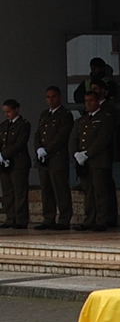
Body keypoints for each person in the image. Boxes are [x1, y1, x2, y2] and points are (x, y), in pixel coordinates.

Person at [71, 90, 116, 232]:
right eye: (86, 101)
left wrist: (87, 153)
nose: (88, 103)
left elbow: (102, 139)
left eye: (91, 100)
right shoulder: (84, 119)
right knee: (88, 191)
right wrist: (76, 153)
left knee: (100, 191)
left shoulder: (104, 117)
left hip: (98, 160)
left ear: (97, 101)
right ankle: (90, 219)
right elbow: (76, 138)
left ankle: (102, 219)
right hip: (84, 162)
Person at [34, 86, 74, 230]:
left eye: (54, 97)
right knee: (46, 190)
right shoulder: (45, 114)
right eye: (48, 97)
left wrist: (47, 150)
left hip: (57, 158)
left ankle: (64, 219)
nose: (51, 100)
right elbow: (38, 133)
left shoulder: (65, 114)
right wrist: (38, 148)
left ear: (60, 97)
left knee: (60, 189)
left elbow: (61, 137)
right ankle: (48, 218)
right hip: (44, 159)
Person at [0, 99, 31, 229]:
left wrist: (4, 154)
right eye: (5, 112)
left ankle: (21, 219)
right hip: (4, 163)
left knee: (20, 192)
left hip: (18, 163)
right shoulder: (4, 125)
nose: (7, 114)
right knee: (8, 192)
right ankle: (10, 218)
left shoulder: (23, 124)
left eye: (9, 111)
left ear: (16, 109)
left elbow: (19, 143)